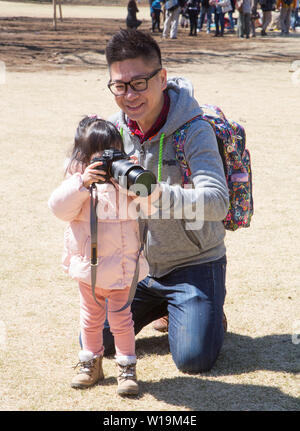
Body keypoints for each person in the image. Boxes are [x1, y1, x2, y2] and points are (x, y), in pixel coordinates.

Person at [103, 28, 229, 374]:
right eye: (120, 85)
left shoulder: (193, 129)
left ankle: (207, 310)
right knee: (94, 342)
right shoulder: (114, 129)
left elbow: (218, 202)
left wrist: (156, 193)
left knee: (192, 359)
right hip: (139, 268)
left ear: (162, 78)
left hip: (195, 262)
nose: (129, 95)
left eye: (139, 83)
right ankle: (167, 306)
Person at [48, 116, 150, 396]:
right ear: (83, 157)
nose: (108, 162)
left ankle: (127, 367)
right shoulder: (78, 183)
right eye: (101, 156)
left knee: (122, 320)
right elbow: (58, 209)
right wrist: (82, 182)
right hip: (89, 270)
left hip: (121, 270)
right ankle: (90, 363)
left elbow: (151, 206)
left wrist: (132, 178)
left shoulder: (125, 181)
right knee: (90, 320)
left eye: (113, 153)